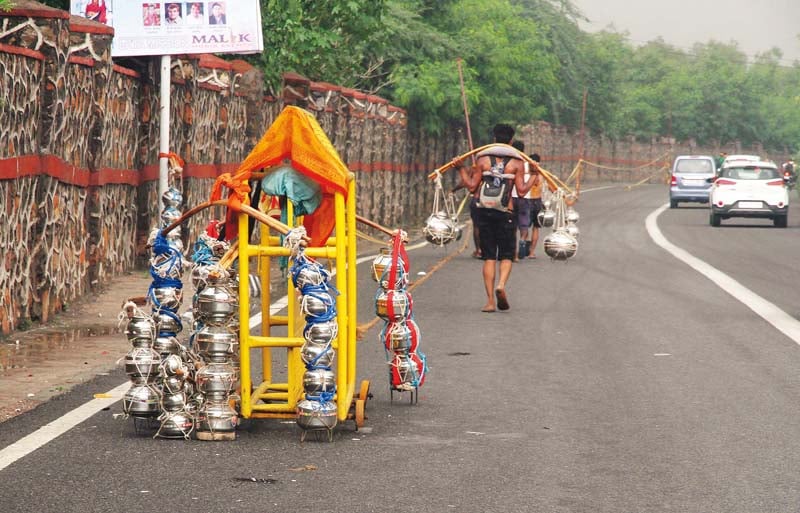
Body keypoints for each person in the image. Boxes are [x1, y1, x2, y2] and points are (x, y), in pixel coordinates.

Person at [454, 123, 539, 312]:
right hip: (506, 213)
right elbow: (523, 191)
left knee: (489, 257)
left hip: (485, 212)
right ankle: (501, 285)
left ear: (493, 138)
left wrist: (460, 168)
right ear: (510, 140)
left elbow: (472, 187)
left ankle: (490, 301)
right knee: (507, 255)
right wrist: (534, 174)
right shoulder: (516, 163)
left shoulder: (482, 160)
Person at [510, 141, 532, 261]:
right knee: (524, 225)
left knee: (512, 226)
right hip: (525, 198)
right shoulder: (529, 164)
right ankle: (523, 241)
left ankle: (513, 255)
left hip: (511, 198)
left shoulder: (510, 164)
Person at [526, 153, 544, 259]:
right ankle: (531, 252)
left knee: (524, 228)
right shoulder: (541, 174)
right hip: (537, 201)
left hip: (527, 201)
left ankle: (523, 249)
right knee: (535, 228)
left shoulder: (527, 173)